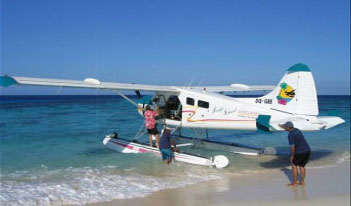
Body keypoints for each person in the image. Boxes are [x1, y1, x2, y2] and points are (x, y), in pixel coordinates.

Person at [279, 121, 311, 187]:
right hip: (307, 150)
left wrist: (292, 156)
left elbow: (292, 147)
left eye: (285, 127)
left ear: (288, 128)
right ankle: (302, 182)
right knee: (302, 166)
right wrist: (281, 126)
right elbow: (287, 127)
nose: (284, 128)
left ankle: (295, 183)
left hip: (300, 152)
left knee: (294, 165)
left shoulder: (290, 135)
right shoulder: (297, 130)